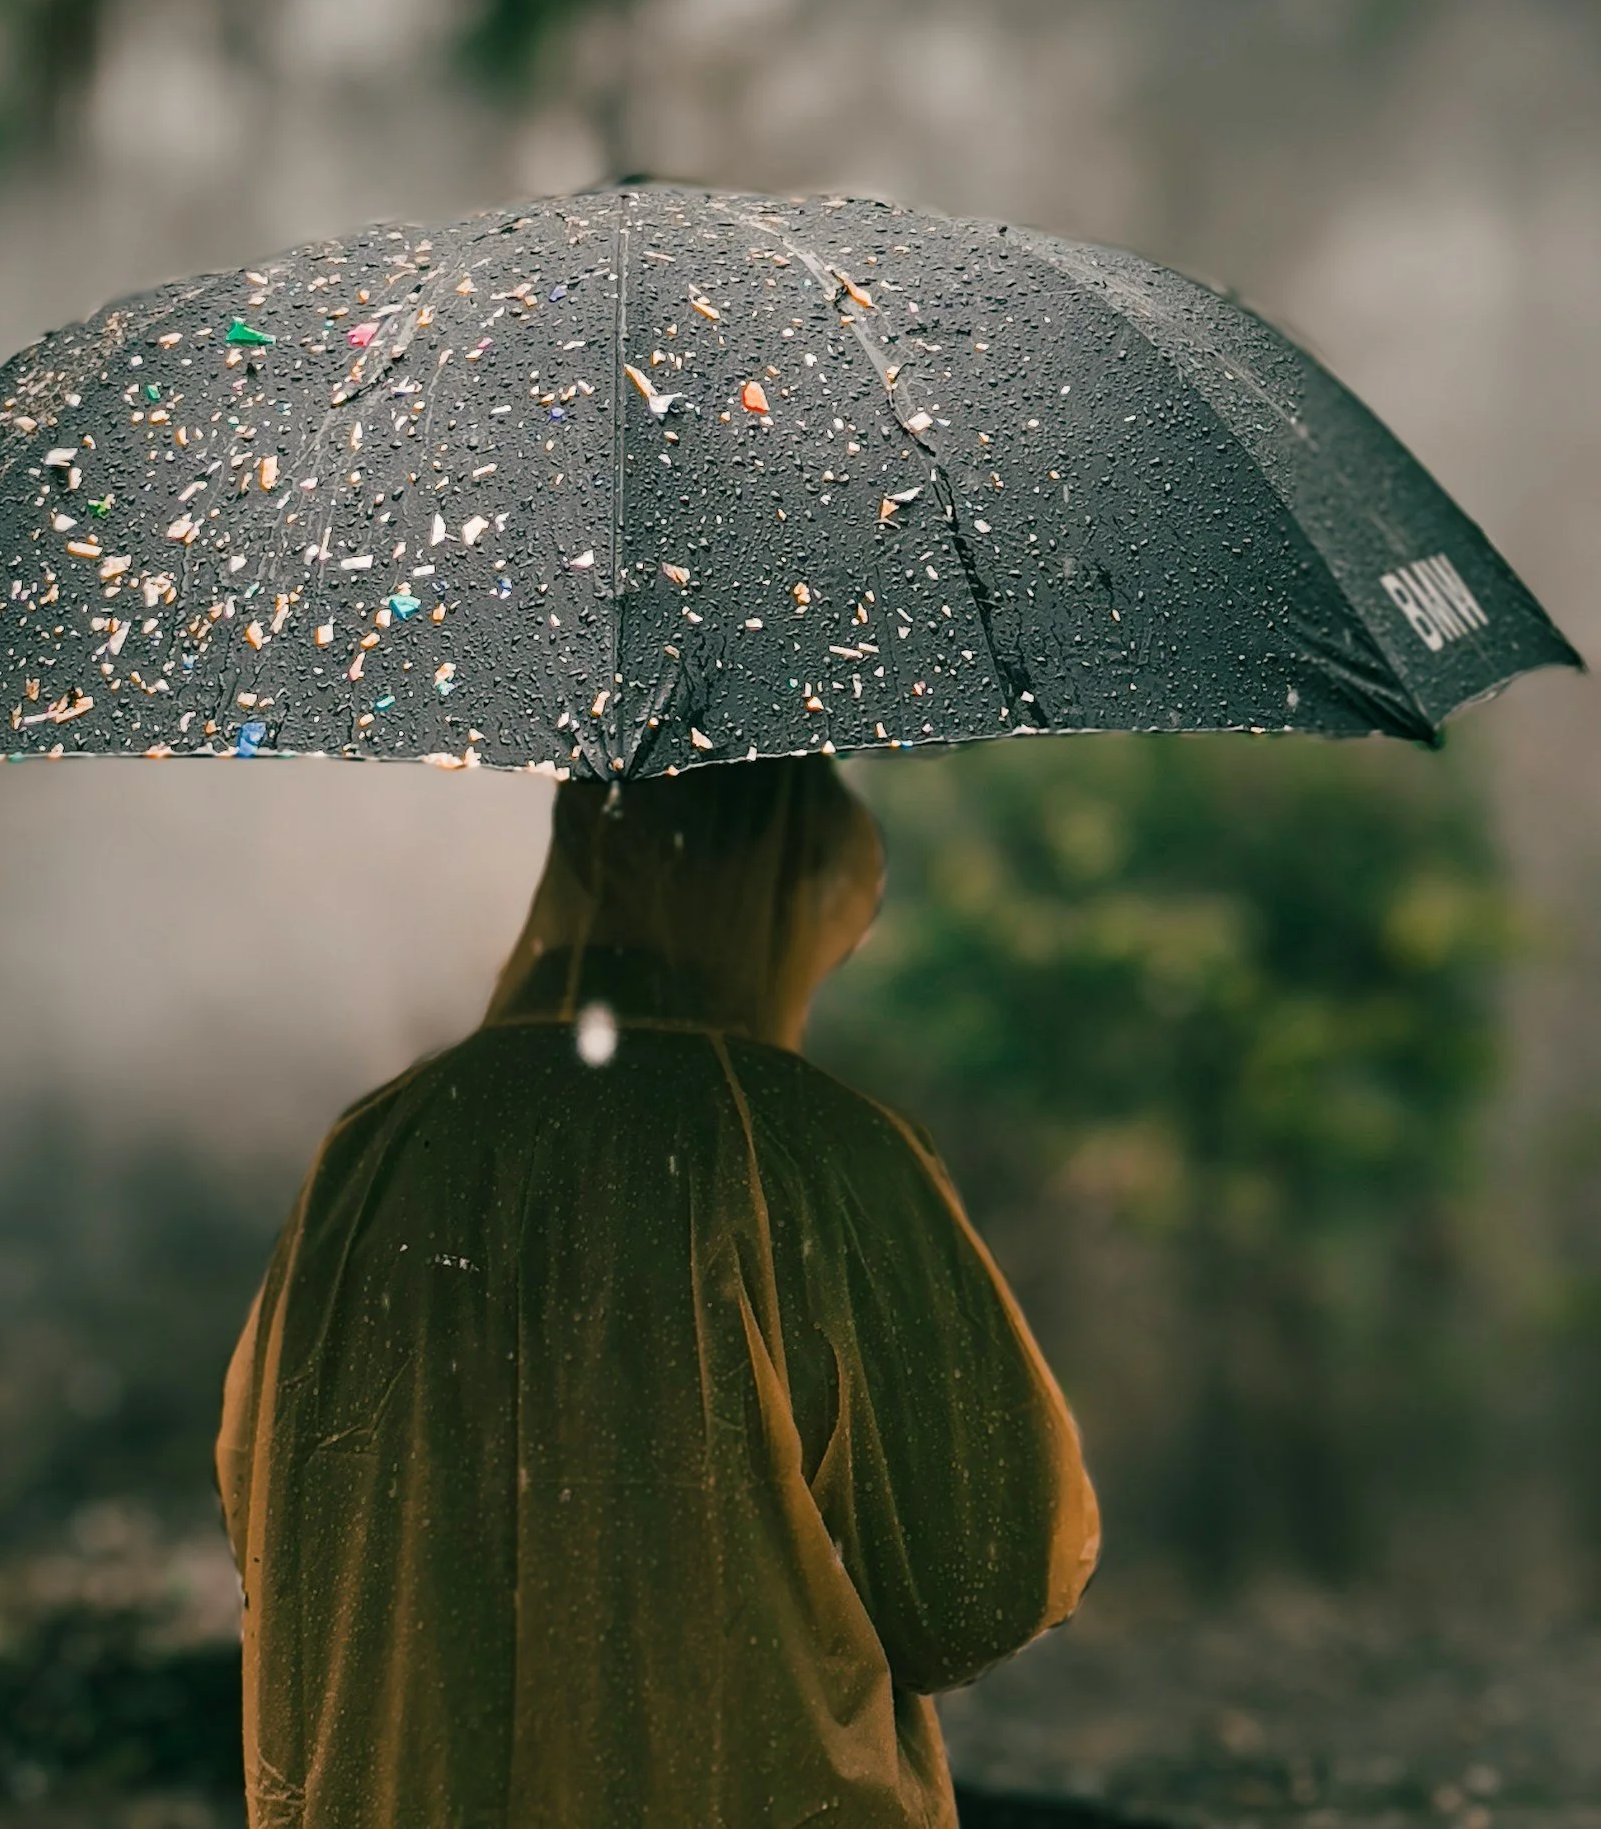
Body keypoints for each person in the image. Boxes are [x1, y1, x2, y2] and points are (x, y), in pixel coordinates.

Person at [217, 756, 1099, 1829]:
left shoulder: (380, 1145)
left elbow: (272, 1508)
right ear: (781, 897)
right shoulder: (812, 1151)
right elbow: (977, 1584)